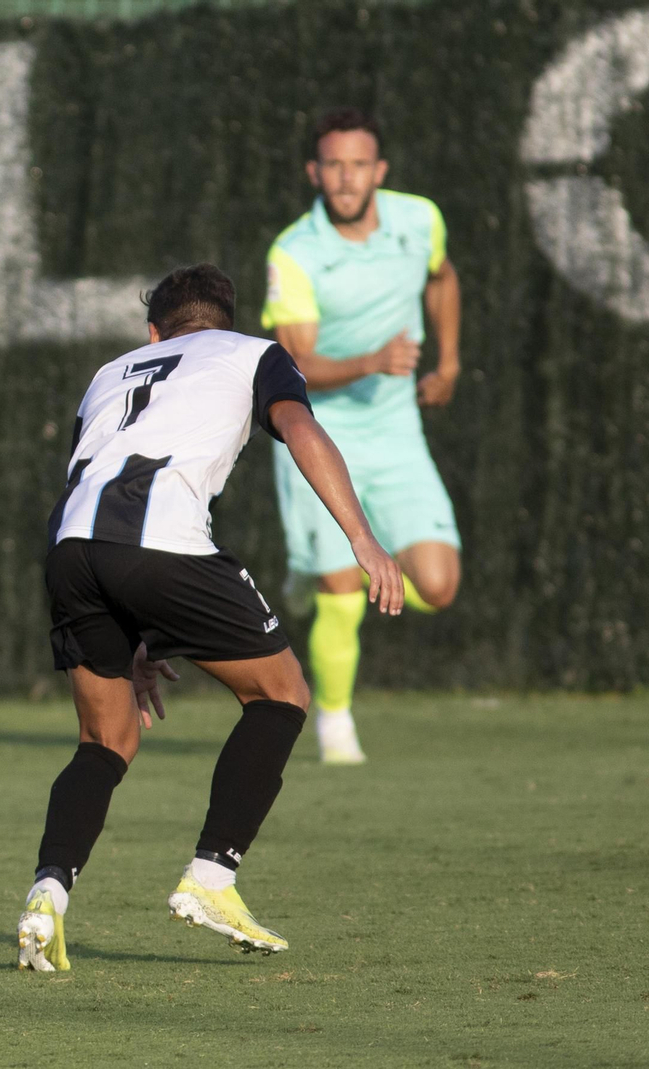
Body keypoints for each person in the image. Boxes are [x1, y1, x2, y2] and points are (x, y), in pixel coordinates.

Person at [16, 264, 401, 971]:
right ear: (222, 321)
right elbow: (300, 428)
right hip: (161, 542)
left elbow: (91, 472)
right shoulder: (252, 353)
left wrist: (130, 627)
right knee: (281, 694)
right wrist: (363, 538)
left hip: (69, 548)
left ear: (153, 331)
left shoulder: (111, 370)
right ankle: (212, 877)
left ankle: (47, 892)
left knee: (105, 740)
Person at [261, 107, 463, 765]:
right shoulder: (294, 252)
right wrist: (372, 361)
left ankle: (311, 569)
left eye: (358, 165)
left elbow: (443, 278)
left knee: (438, 585)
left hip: (396, 429)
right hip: (319, 433)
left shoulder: (419, 219)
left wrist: (449, 362)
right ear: (314, 172)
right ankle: (337, 727)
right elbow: (294, 366)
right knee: (343, 585)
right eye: (333, 166)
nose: (346, 180)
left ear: (379, 170)